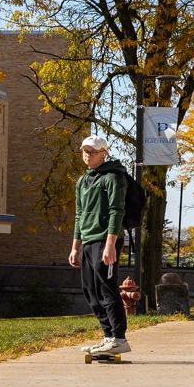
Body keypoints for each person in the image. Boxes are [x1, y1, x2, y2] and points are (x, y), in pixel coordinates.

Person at [68, 135, 131, 356]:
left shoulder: (114, 177)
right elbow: (79, 214)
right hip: (87, 240)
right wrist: (76, 246)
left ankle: (119, 338)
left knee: (107, 288)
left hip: (106, 240)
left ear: (104, 153)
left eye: (93, 151)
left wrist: (110, 244)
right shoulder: (83, 181)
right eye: (85, 151)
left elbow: (117, 211)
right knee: (90, 291)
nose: (88, 155)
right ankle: (107, 337)